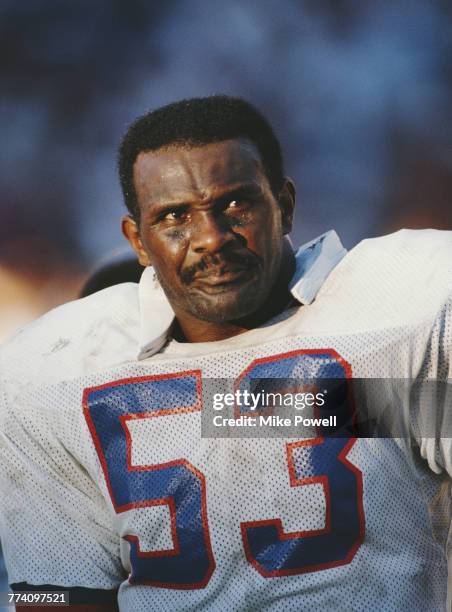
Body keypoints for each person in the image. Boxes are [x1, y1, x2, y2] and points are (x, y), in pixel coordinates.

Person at [0, 96, 451, 612]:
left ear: (284, 204)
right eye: (174, 217)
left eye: (236, 204)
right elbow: (53, 596)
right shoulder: (49, 371)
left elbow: (244, 408)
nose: (211, 239)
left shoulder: (404, 303)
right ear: (138, 241)